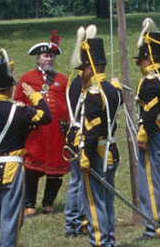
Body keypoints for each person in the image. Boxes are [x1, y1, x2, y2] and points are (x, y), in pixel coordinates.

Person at [0, 49, 52, 247]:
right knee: (10, 220)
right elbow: (45, 116)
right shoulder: (17, 111)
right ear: (10, 88)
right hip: (11, 169)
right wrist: (35, 96)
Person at [14, 30, 69, 216]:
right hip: (35, 131)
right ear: (38, 58)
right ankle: (29, 203)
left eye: (52, 56)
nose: (49, 59)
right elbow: (19, 103)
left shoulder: (62, 80)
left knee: (56, 169)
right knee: (31, 168)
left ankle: (48, 202)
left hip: (56, 132)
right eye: (46, 56)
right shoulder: (26, 78)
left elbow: (67, 103)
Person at [77, 35, 122, 247]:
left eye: (83, 67)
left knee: (94, 203)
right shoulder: (113, 90)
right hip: (111, 150)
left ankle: (99, 242)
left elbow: (92, 130)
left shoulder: (94, 94)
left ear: (90, 67)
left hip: (97, 154)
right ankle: (109, 240)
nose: (81, 72)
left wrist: (85, 156)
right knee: (108, 201)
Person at [134, 18, 160, 239]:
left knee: (149, 182)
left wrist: (142, 134)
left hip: (154, 132)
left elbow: (148, 112)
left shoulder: (150, 81)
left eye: (140, 60)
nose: (139, 65)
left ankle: (154, 227)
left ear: (148, 58)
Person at [63, 25, 95, 238]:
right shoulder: (82, 86)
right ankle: (75, 222)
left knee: (76, 181)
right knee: (77, 181)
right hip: (80, 135)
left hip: (74, 135)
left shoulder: (74, 83)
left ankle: (74, 221)